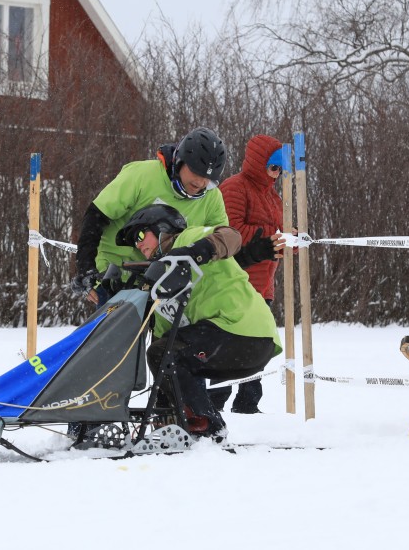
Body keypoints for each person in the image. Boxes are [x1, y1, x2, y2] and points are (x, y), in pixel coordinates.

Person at [117, 204, 283, 439]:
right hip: (229, 343)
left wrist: (194, 251)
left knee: (165, 353)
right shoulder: (163, 279)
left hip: (244, 332)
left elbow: (231, 237)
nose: (139, 244)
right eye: (135, 242)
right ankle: (173, 426)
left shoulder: (187, 238)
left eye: (141, 235)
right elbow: (164, 358)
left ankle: (208, 426)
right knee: (163, 354)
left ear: (161, 228)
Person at [69, 127, 229, 305]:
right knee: (120, 331)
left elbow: (222, 242)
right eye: (195, 172)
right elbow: (96, 216)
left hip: (163, 282)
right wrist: (86, 268)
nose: (200, 182)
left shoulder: (212, 199)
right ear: (180, 161)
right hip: (113, 271)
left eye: (208, 179)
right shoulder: (142, 176)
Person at [208, 134, 290, 414]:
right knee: (231, 346)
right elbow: (229, 234)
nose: (277, 175)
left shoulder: (274, 197)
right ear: (259, 163)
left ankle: (248, 404)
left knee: (260, 346)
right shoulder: (234, 188)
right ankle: (213, 404)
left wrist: (292, 242)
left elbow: (279, 239)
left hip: (264, 284)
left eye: (280, 169)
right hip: (237, 282)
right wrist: (273, 237)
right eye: (273, 168)